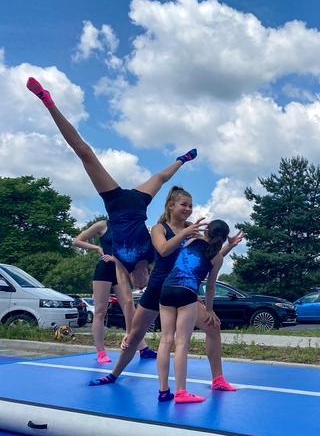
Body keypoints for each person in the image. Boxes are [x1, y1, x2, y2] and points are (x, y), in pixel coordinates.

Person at [26, 77, 196, 338]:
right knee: (161, 178)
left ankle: (47, 102)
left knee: (84, 153)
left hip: (116, 204)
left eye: (139, 286)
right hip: (139, 204)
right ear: (148, 275)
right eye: (145, 284)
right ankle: (182, 159)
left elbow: (128, 300)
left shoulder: (122, 266)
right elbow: (169, 239)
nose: (141, 285)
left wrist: (132, 335)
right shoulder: (153, 254)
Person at [89, 187, 239, 393]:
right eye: (184, 205)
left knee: (213, 328)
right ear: (170, 205)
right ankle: (113, 374)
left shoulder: (193, 230)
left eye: (190, 206)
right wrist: (186, 233)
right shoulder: (160, 228)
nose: (188, 209)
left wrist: (227, 246)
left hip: (182, 289)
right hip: (157, 288)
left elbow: (209, 257)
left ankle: (218, 379)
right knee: (134, 336)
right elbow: (163, 249)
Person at [157, 220, 243, 404]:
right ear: (222, 237)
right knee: (183, 342)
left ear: (207, 231)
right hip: (187, 293)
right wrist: (209, 309)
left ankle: (164, 391)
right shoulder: (215, 255)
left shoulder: (190, 240)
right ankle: (182, 391)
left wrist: (228, 245)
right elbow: (211, 280)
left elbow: (205, 256)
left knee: (166, 340)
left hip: (167, 289)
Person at [73, 220, 153, 363]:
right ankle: (101, 353)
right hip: (104, 269)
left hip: (120, 269)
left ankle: (142, 348)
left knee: (130, 308)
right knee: (100, 311)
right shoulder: (103, 225)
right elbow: (77, 241)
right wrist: (97, 248)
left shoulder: (129, 226)